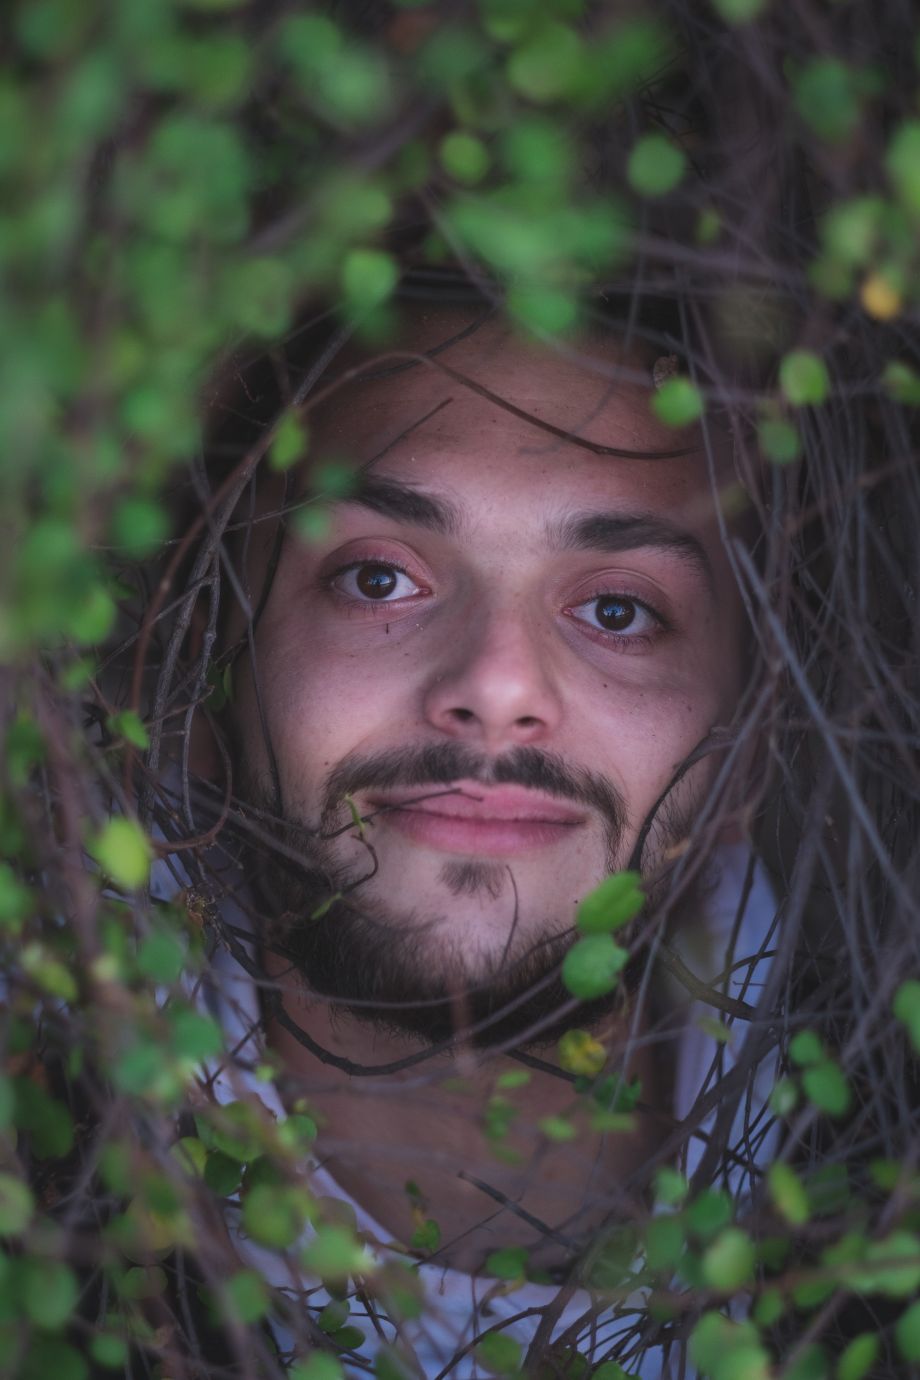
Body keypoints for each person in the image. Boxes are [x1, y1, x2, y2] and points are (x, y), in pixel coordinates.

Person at [168, 295, 779, 1376]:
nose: (495, 690)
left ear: (752, 725)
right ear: (213, 656)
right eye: (377, 579)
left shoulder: (871, 1130)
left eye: (618, 610)